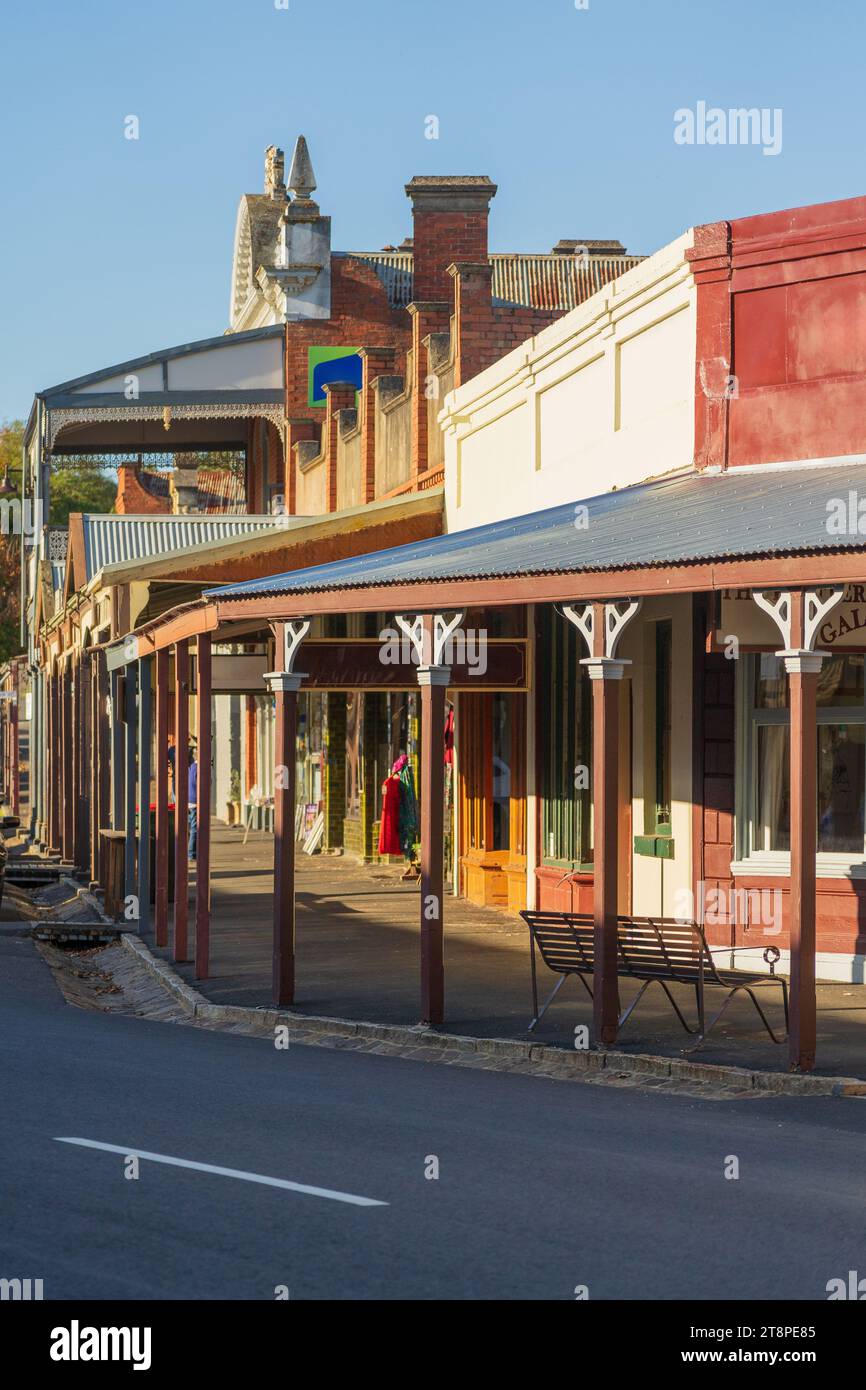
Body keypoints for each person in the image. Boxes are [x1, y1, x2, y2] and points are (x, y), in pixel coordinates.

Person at [187, 749, 198, 861]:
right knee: (195, 828)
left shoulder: (191, 768)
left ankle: (192, 852)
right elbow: (197, 784)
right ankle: (191, 853)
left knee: (192, 827)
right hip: (195, 801)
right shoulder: (197, 769)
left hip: (190, 800)